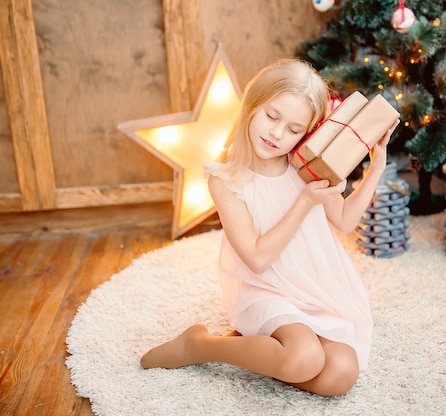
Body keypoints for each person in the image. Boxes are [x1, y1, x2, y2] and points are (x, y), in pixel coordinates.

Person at [140, 58, 399, 397]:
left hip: (310, 286)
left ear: (307, 132)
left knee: (341, 373)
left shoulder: (307, 162)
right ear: (252, 106)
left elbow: (345, 220)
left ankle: (268, 348)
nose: (277, 134)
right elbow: (258, 259)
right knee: (304, 358)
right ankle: (200, 346)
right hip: (263, 288)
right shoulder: (226, 179)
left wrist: (376, 168)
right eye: (272, 116)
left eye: (294, 129)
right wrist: (304, 202)